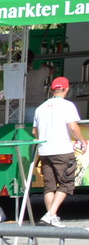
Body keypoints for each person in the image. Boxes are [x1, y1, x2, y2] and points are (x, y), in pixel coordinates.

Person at [32, 76, 85, 226]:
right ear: (67, 89)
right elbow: (73, 127)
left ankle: (51, 217)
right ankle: (50, 214)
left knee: (49, 186)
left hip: (44, 150)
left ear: (51, 89)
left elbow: (34, 132)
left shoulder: (40, 108)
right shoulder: (67, 106)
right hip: (62, 150)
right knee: (66, 184)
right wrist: (82, 141)